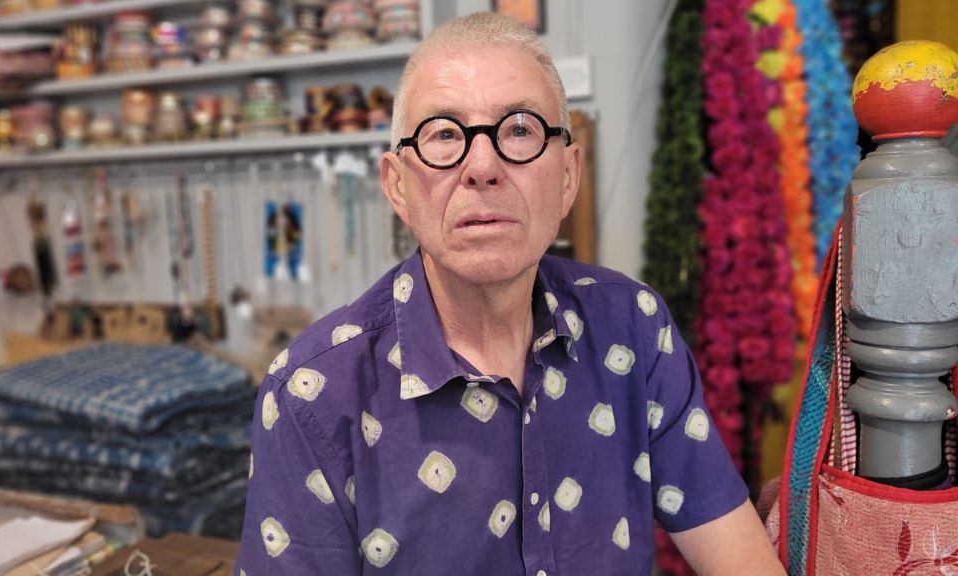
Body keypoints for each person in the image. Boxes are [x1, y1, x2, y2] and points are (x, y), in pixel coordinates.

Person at [235, 12, 785, 575]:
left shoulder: (633, 328)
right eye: (445, 134)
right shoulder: (313, 395)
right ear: (397, 183)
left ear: (568, 175)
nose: (483, 166)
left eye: (519, 129)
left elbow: (735, 551)